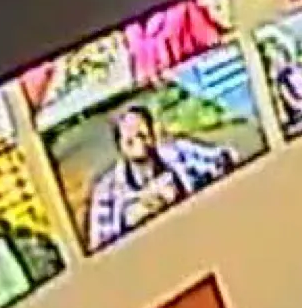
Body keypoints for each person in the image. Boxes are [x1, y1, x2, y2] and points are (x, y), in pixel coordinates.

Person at [85, 104, 236, 249]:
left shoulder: (180, 152)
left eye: (142, 133)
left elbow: (225, 158)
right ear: (120, 145)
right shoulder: (106, 192)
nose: (137, 138)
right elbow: (100, 250)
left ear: (152, 133)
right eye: (129, 137)